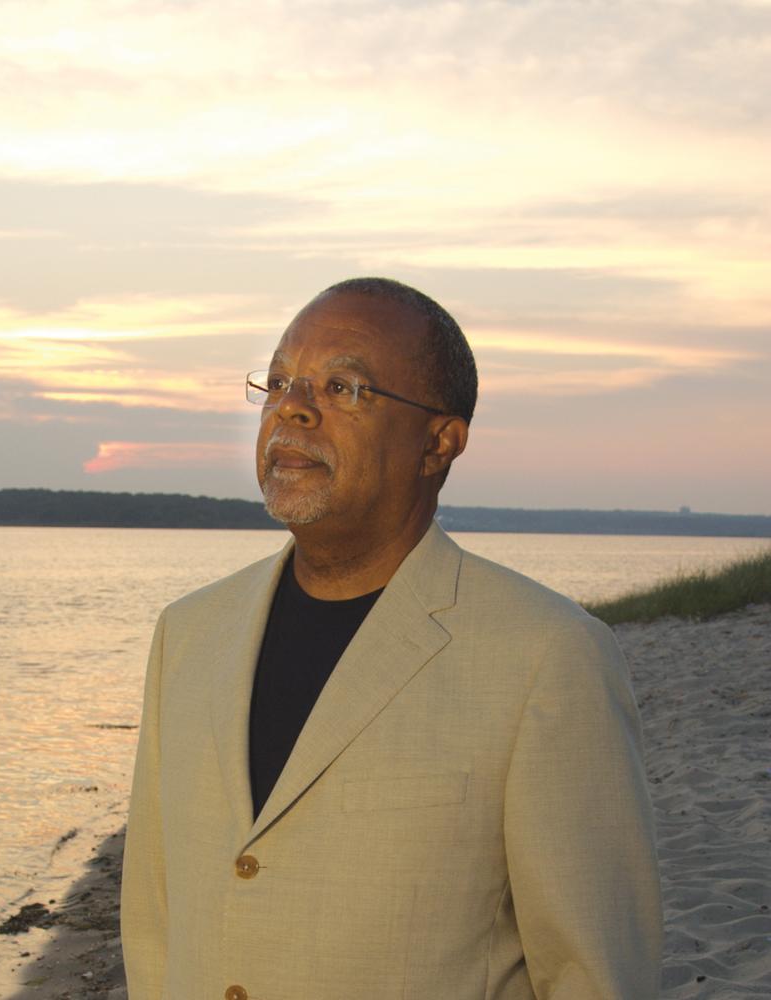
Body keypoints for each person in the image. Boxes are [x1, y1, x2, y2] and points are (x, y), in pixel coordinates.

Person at [120, 277, 663, 1000]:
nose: (293, 407)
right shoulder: (187, 636)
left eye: (344, 388)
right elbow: (154, 931)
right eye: (279, 381)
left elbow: (593, 975)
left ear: (439, 442)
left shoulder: (546, 656)